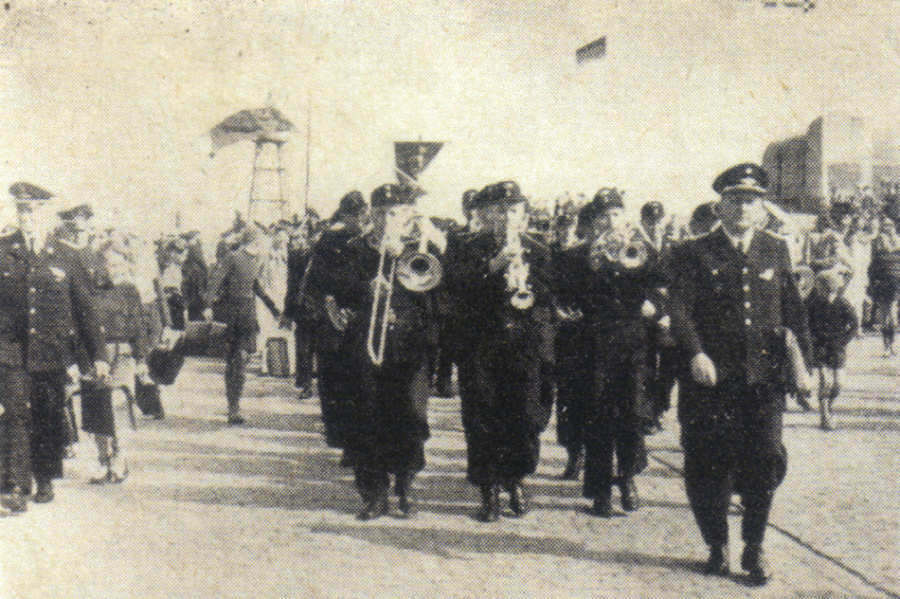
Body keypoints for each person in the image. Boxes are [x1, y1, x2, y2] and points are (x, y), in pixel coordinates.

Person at [668, 164, 810, 585]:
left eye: (752, 200)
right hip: (711, 381)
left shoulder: (775, 247)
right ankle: (716, 543)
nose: (744, 208)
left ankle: (753, 546)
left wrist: (804, 367)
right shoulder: (693, 252)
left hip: (762, 379)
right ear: (720, 205)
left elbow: (792, 313)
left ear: (762, 205)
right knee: (709, 464)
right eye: (735, 199)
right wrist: (695, 353)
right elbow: (679, 308)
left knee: (765, 459)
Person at [444, 181, 556, 522]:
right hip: (482, 345)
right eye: (498, 210)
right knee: (482, 418)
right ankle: (489, 490)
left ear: (523, 215)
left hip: (525, 346)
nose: (506, 217)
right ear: (483, 214)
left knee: (525, 417)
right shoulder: (464, 247)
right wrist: (493, 267)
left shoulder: (539, 249)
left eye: (513, 210)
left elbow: (550, 296)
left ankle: (516, 477)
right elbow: (455, 290)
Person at [0, 182, 108, 512]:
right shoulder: (3, 250)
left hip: (50, 351)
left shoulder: (67, 256)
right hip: (12, 349)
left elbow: (86, 309)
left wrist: (99, 356)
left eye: (32, 210)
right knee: (16, 414)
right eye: (21, 210)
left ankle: (44, 477)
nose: (25, 216)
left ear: (46, 214)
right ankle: (18, 485)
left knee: (47, 415)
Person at [338, 184, 441, 519]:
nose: (386, 219)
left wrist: (402, 265)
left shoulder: (421, 249)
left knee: (410, 416)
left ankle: (406, 485)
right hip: (366, 347)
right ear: (371, 214)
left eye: (394, 213)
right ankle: (374, 494)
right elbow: (338, 293)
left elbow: (436, 300)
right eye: (380, 212)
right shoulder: (355, 249)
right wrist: (365, 290)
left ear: (408, 215)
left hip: (409, 348)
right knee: (367, 417)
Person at [555, 189, 660, 516]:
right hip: (593, 345)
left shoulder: (641, 250)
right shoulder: (577, 255)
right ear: (593, 221)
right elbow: (563, 295)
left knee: (632, 414)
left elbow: (663, 285)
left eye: (615, 215)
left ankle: (627, 476)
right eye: (603, 217)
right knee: (598, 416)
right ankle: (600, 490)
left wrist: (653, 304)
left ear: (623, 217)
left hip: (632, 343)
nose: (610, 222)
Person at [305, 191, 369, 460]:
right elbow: (316, 280)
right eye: (355, 215)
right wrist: (329, 307)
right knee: (334, 375)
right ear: (345, 214)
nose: (359, 220)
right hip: (334, 315)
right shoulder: (331, 239)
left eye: (361, 215)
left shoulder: (366, 240)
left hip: (358, 315)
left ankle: (353, 437)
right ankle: (341, 435)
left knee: (356, 378)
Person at [204, 225, 280, 424]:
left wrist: (274, 310)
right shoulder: (234, 257)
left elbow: (256, 286)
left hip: (248, 313)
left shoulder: (257, 259)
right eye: (261, 240)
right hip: (233, 313)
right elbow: (215, 281)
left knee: (241, 360)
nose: (263, 243)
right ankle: (233, 407)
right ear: (254, 241)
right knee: (236, 360)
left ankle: (234, 403)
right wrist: (208, 305)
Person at [805, 270, 858, 431]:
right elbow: (805, 324)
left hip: (837, 348)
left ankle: (829, 404)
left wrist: (843, 341)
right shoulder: (812, 304)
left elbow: (855, 324)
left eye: (827, 290)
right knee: (824, 381)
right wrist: (810, 340)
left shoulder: (843, 304)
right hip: (819, 347)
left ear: (834, 289)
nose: (824, 294)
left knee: (838, 384)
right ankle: (825, 415)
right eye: (821, 290)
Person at [867, 215, 900, 356]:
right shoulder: (878, 251)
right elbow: (871, 269)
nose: (888, 229)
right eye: (885, 227)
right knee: (886, 315)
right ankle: (888, 346)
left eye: (890, 226)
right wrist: (873, 283)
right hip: (882, 283)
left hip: (895, 282)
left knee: (891, 314)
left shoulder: (898, 248)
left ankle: (890, 345)